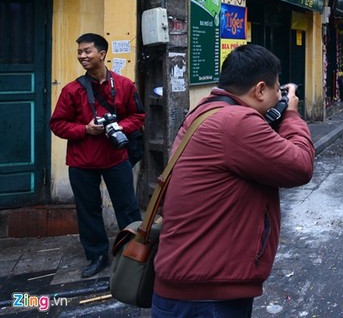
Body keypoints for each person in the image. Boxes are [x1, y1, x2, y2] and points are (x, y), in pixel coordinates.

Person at [152, 44, 315, 317]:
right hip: (207, 294)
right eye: (277, 89)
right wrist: (291, 115)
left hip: (190, 280)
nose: (279, 95)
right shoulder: (236, 122)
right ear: (260, 89)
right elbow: (300, 166)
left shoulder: (206, 110)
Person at [49, 33, 144, 278]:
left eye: (87, 51)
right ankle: (97, 255)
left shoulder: (124, 86)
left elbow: (138, 116)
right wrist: (85, 129)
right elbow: (57, 123)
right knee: (88, 210)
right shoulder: (72, 90)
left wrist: (121, 127)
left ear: (102, 54)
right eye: (79, 52)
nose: (82, 56)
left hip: (116, 158)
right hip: (82, 161)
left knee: (128, 208)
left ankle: (131, 251)